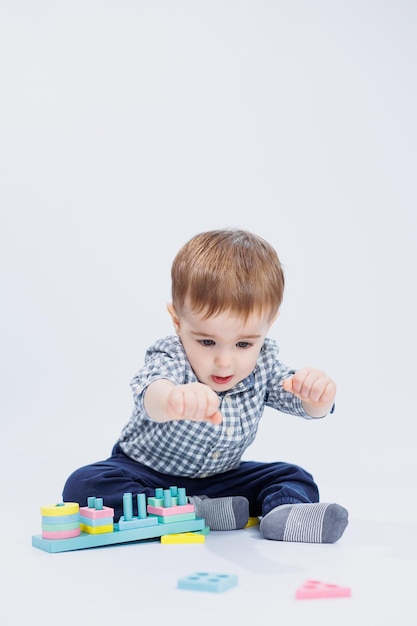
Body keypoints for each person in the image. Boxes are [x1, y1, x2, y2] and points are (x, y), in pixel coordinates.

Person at [63, 228, 348, 543]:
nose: (224, 362)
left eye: (243, 344)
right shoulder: (171, 356)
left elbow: (299, 401)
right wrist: (172, 399)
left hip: (222, 481)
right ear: (177, 322)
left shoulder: (264, 364)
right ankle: (188, 512)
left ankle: (284, 515)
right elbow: (151, 392)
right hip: (146, 475)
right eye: (207, 341)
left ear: (268, 326)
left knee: (292, 476)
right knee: (85, 484)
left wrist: (317, 397)